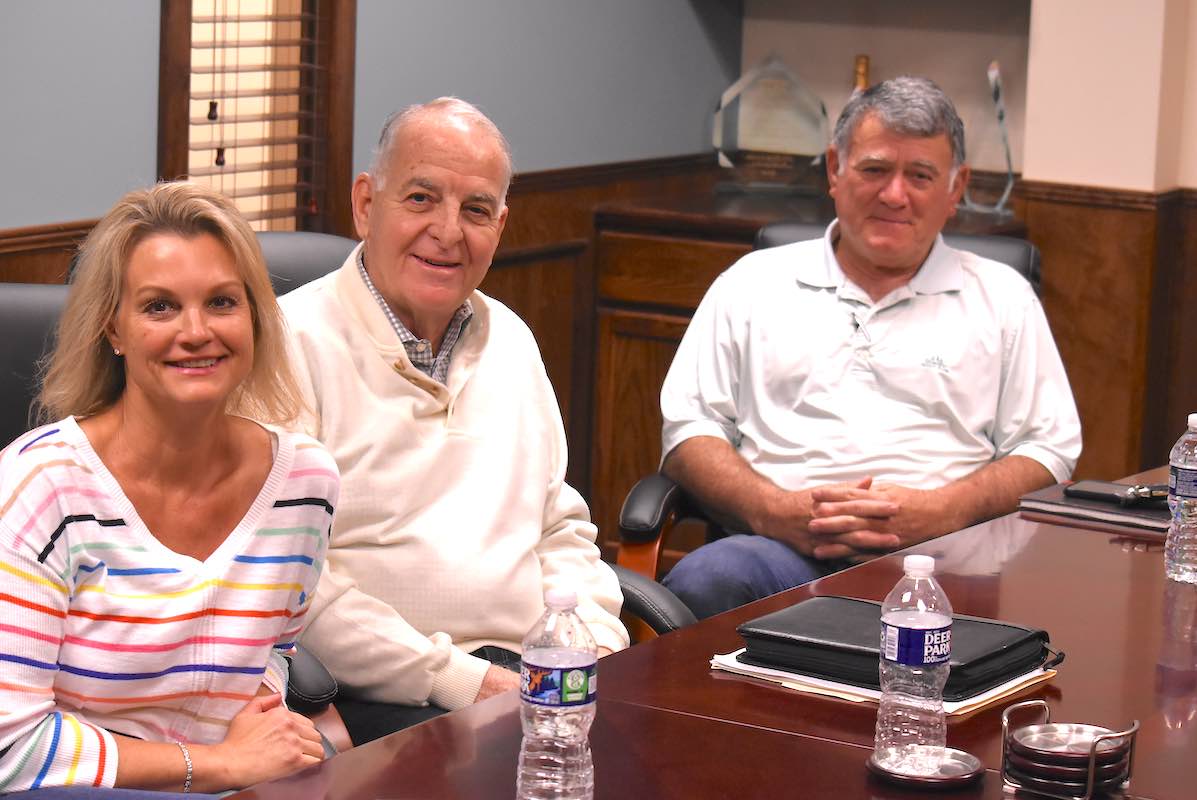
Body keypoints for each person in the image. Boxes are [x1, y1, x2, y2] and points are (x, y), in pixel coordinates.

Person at [658, 77, 1082, 619]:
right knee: (707, 578)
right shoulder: (751, 283)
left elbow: (1049, 449)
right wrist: (775, 512)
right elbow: (689, 430)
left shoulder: (1002, 298)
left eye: (921, 176)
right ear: (835, 169)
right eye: (875, 169)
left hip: (947, 559)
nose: (894, 195)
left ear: (957, 188)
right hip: (778, 555)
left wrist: (942, 510)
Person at [280, 97, 628, 744]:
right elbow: (293, 583)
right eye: (420, 198)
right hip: (391, 695)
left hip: (537, 675)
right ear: (364, 204)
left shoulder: (513, 340)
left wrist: (595, 645)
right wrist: (465, 680)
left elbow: (560, 528)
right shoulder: (288, 343)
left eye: (475, 210)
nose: (447, 230)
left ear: (500, 225)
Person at [0, 182, 340, 795]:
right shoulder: (40, 487)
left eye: (221, 302)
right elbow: (11, 749)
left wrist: (260, 724)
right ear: (114, 329)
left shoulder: (305, 483)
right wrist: (212, 765)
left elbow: (275, 648)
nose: (196, 331)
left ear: (255, 320)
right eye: (159, 307)